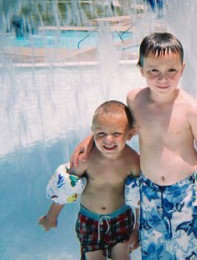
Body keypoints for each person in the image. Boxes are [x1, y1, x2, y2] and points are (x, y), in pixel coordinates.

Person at [72, 32, 197, 259]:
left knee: (189, 250)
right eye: (153, 71)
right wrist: (89, 139)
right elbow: (115, 124)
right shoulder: (134, 100)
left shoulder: (192, 109)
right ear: (141, 69)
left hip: (185, 193)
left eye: (172, 70)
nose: (163, 78)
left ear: (182, 68)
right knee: (154, 251)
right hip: (148, 192)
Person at [39, 100, 141, 260]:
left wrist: (137, 228)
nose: (108, 140)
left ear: (129, 134)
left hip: (121, 219)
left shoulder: (133, 160)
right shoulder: (86, 159)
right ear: (92, 132)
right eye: (101, 134)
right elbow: (65, 189)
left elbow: (139, 197)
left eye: (116, 134)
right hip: (90, 222)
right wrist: (51, 216)